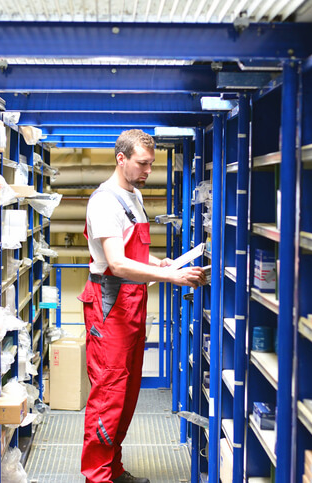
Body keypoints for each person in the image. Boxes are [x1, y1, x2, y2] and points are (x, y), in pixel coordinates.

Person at [78, 129, 205, 483]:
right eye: (143, 163)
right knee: (108, 395)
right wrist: (171, 278)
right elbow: (116, 264)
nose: (149, 170)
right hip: (111, 307)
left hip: (131, 306)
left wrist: (158, 263)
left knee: (126, 395)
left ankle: (113, 470)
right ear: (122, 159)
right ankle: (97, 477)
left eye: (151, 163)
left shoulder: (132, 196)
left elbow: (130, 252)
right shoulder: (105, 201)